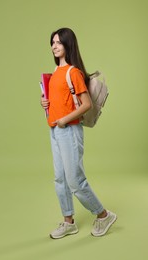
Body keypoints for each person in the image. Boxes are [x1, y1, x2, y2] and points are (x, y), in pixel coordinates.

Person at [40, 27, 117, 239]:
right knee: (60, 179)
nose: (54, 46)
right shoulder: (55, 73)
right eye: (52, 42)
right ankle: (68, 222)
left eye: (58, 42)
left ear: (68, 45)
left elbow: (86, 104)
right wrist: (44, 102)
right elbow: (59, 102)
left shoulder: (73, 72)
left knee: (74, 180)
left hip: (69, 129)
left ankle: (103, 215)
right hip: (54, 130)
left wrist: (65, 119)